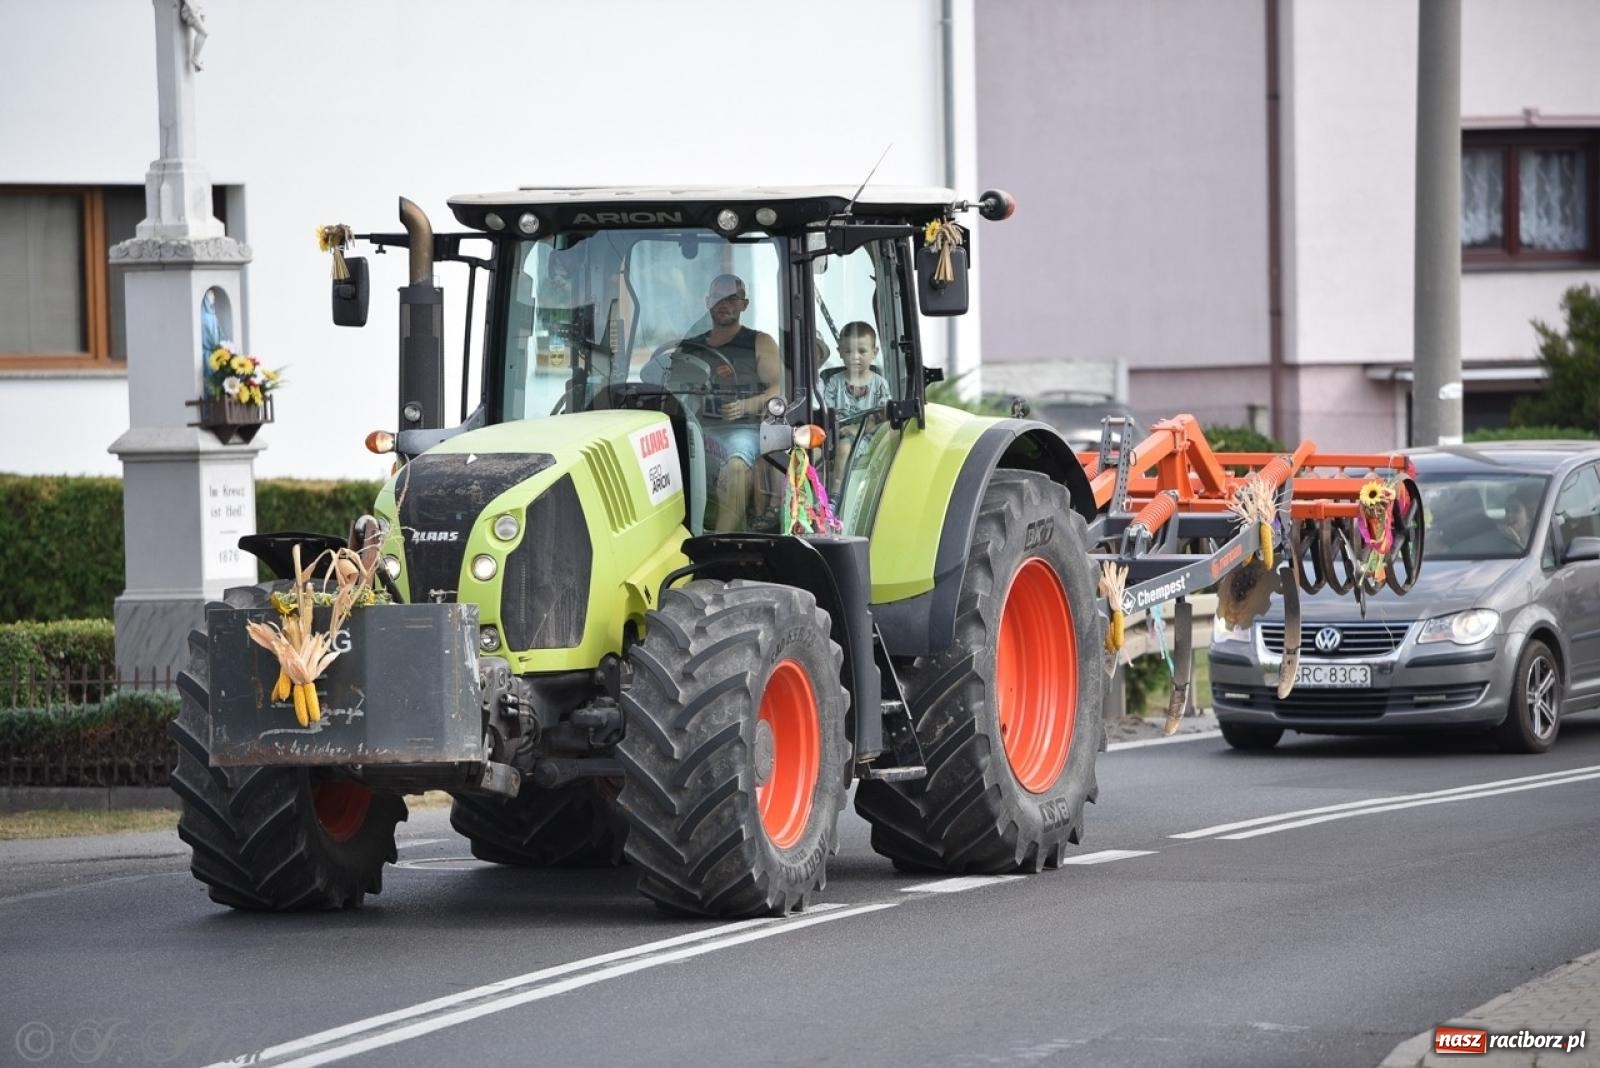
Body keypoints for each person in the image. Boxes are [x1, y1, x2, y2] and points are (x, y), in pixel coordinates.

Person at [676, 274, 783, 531]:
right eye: (717, 297)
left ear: (744, 304)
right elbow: (664, 382)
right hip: (699, 432)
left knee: (736, 466)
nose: (723, 303)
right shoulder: (690, 347)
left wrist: (746, 406)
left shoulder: (759, 342)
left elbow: (780, 388)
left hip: (743, 432)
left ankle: (717, 542)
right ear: (707, 302)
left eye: (731, 298)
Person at [822, 321, 892, 495]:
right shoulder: (833, 383)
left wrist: (857, 429)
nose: (855, 357)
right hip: (836, 435)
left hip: (868, 438)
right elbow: (826, 415)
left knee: (845, 448)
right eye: (848, 351)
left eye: (862, 351)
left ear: (874, 353)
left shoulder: (880, 385)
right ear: (840, 353)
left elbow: (883, 419)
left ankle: (835, 495)